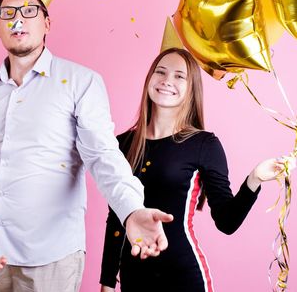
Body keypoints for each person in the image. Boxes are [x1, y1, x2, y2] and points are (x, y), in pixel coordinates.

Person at [0, 0, 174, 292]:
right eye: (8, 14)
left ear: (46, 23)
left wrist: (132, 210)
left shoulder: (82, 83)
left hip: (51, 256)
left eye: (29, 12)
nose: (19, 21)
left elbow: (102, 156)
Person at [99, 47, 295, 292]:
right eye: (160, 72)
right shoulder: (121, 144)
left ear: (191, 88)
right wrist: (107, 282)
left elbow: (227, 221)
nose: (167, 81)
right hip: (134, 278)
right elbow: (116, 218)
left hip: (183, 277)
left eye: (179, 76)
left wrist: (254, 179)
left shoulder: (204, 144)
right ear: (149, 79)